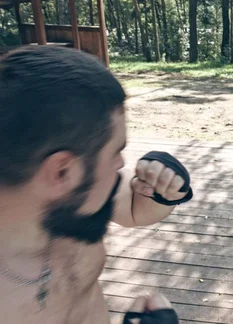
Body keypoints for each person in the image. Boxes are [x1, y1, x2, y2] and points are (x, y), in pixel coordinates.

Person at [0, 45, 194, 323]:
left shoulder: (74, 199)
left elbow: (136, 210)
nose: (121, 163)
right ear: (62, 171)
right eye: (115, 151)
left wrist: (163, 190)